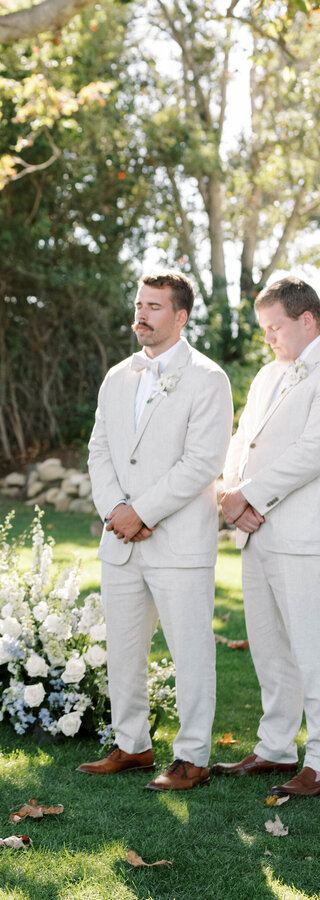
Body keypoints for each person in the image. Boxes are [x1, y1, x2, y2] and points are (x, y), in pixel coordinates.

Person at [80, 271, 232, 791]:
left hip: (179, 542)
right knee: (123, 650)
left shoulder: (208, 378)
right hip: (120, 542)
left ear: (181, 316)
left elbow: (202, 462)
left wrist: (142, 511)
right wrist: (116, 509)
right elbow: (99, 450)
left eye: (155, 307)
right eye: (139, 304)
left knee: (191, 653)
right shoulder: (116, 376)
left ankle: (192, 758)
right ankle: (133, 745)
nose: (141, 314)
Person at [215, 276, 320, 797]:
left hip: (303, 534)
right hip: (255, 532)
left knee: (311, 646)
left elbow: (313, 449)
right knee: (269, 647)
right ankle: (277, 747)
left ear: (307, 320)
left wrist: (250, 495)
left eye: (275, 327)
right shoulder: (266, 376)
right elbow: (243, 439)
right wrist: (231, 494)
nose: (269, 339)